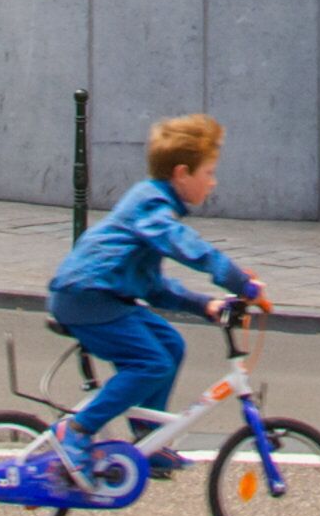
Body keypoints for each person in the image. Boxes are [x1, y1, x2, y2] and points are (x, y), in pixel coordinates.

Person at [39, 112, 263, 493]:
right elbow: (182, 243)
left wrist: (202, 305)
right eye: (208, 173)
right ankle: (76, 432)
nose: (213, 181)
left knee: (171, 345)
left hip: (108, 297)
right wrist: (237, 280)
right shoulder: (151, 207)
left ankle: (149, 437)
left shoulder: (154, 206)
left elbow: (153, 286)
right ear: (181, 174)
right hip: (86, 298)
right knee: (150, 362)